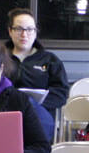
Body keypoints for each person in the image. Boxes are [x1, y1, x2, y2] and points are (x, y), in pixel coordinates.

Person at [4, 8, 67, 141]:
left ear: (35, 32)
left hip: (38, 115)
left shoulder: (50, 60)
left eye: (29, 29)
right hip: (5, 114)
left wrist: (37, 104)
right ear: (10, 31)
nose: (24, 34)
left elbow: (61, 93)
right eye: (19, 29)